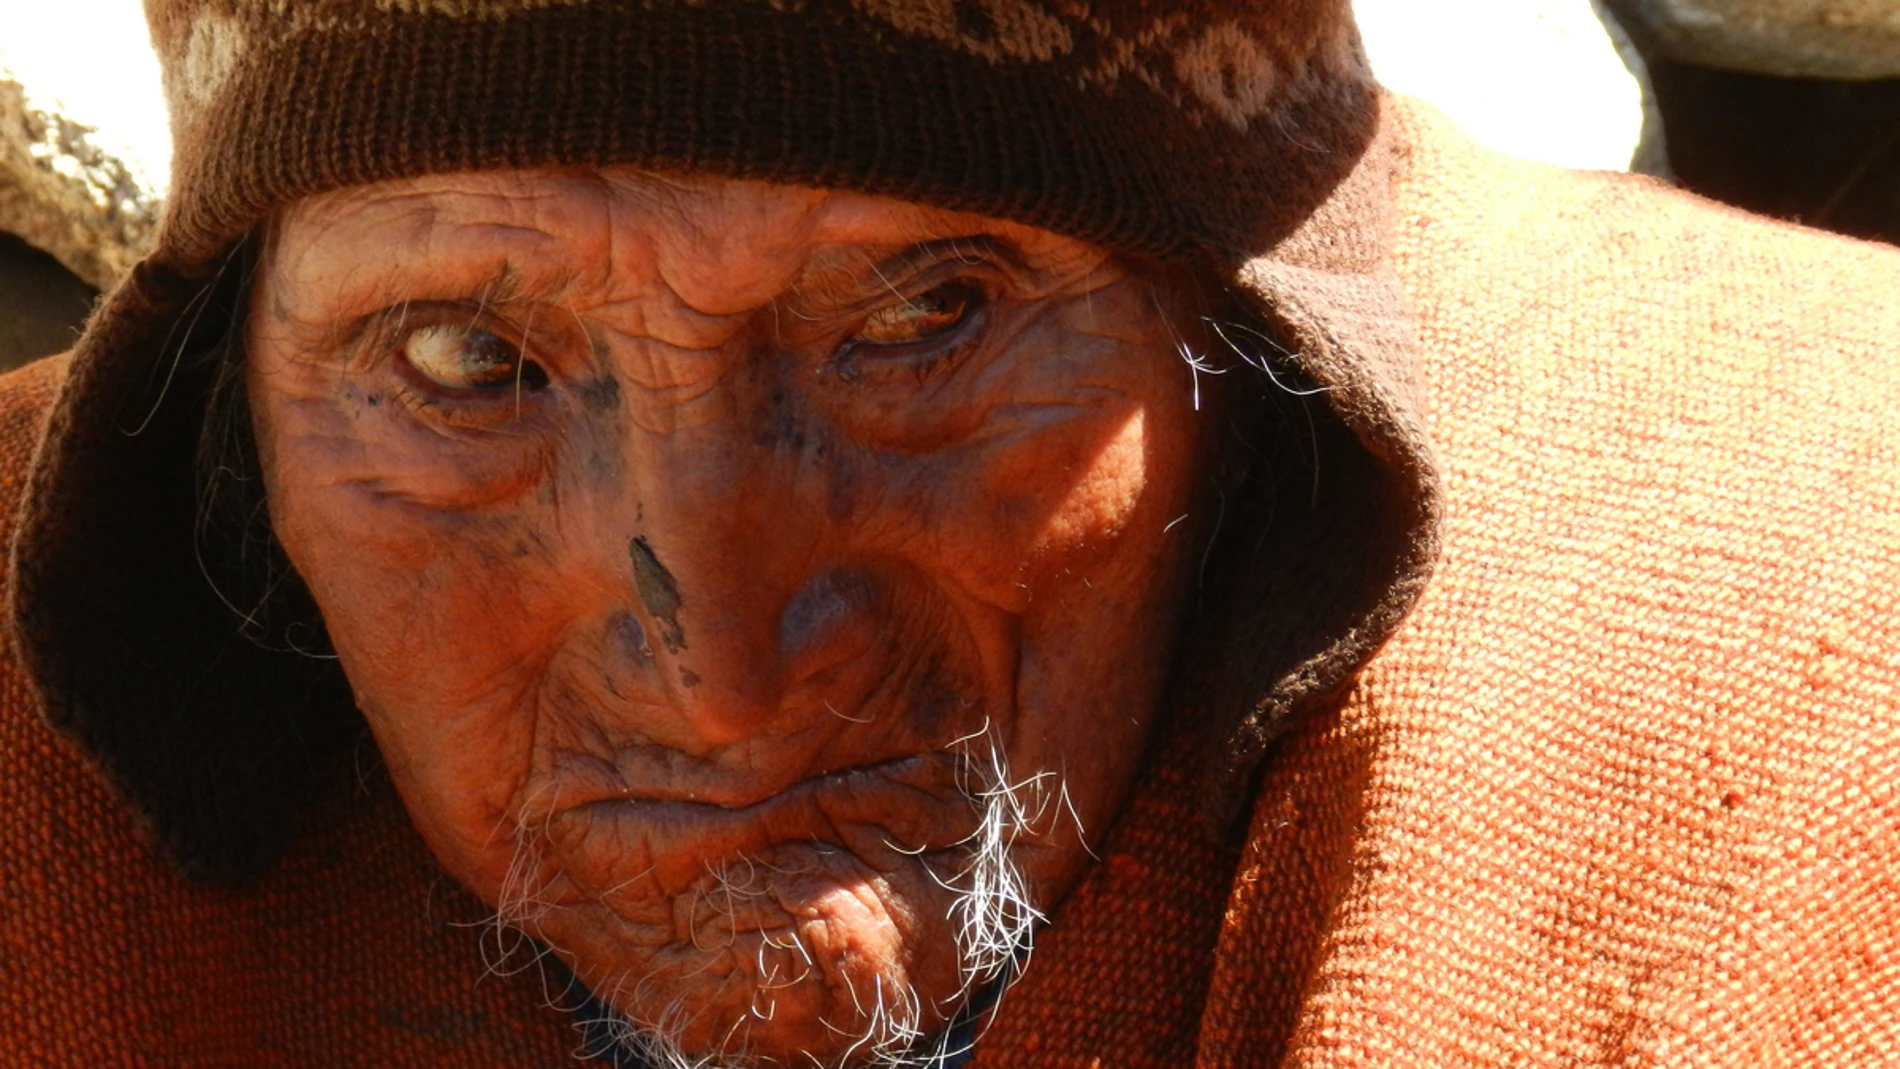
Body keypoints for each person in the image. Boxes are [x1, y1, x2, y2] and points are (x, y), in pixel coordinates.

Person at [2, 1, 1895, 1066]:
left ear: (1262, 333)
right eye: (462, 359)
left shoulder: (1812, 637)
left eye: (922, 321)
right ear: (224, 415)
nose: (728, 672)